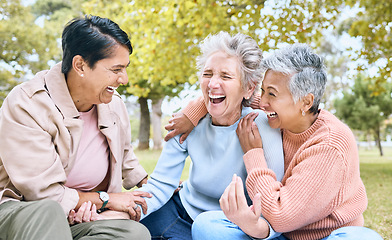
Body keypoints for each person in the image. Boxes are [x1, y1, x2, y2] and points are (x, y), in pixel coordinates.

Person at [168, 44, 383, 239]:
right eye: (263, 90)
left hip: (326, 235)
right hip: (275, 234)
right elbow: (227, 94)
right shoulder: (280, 113)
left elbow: (281, 215)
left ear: (306, 101)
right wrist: (191, 113)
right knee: (207, 225)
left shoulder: (329, 145)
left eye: (272, 94)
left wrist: (253, 154)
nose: (262, 101)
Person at [0, 15, 151, 240]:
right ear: (80, 65)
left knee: (133, 234)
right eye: (116, 69)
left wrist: (152, 182)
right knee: (49, 212)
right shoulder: (26, 104)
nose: (124, 79)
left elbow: (125, 156)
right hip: (24, 212)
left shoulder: (113, 104)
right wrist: (104, 199)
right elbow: (43, 194)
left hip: (82, 213)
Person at [134, 31, 285, 240]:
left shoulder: (265, 126)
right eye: (207, 74)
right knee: (130, 227)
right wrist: (124, 210)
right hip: (183, 210)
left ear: (249, 88)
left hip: (232, 225)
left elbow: (273, 202)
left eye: (225, 76)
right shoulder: (187, 122)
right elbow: (160, 185)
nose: (213, 84)